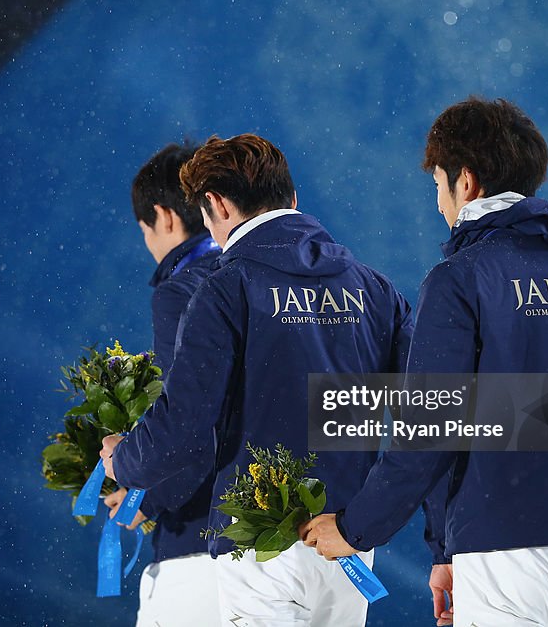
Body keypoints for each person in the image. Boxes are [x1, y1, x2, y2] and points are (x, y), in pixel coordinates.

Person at [302, 97, 548, 626]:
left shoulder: (460, 280)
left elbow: (430, 431)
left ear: (465, 182)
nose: (440, 205)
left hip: (501, 557)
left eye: (439, 187)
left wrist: (355, 529)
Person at [101, 133, 414, 626]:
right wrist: (370, 519)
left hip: (257, 544)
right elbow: (438, 417)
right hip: (343, 543)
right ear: (291, 197)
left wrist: (125, 460)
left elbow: (186, 425)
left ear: (216, 205)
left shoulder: (225, 288)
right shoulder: (373, 287)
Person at [102, 141, 222, 625]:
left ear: (163, 216)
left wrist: (140, 491)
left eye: (144, 229)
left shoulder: (185, 291)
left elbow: (196, 425)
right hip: (297, 537)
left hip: (201, 546)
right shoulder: (261, 280)